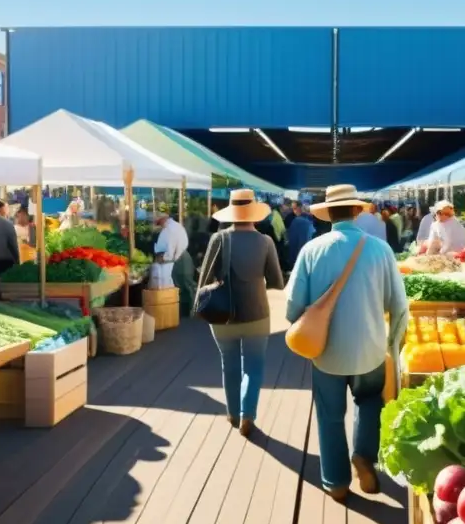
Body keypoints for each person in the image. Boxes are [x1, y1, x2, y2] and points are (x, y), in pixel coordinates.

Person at [286, 184, 408, 503]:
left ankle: (336, 481)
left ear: (327, 215)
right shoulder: (381, 249)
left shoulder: (312, 250)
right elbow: (400, 306)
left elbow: (291, 309)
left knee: (329, 413)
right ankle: (364, 456)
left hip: (326, 352)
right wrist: (393, 347)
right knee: (369, 402)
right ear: (356, 211)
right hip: (370, 349)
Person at [198, 190, 284, 438]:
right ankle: (248, 415)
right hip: (257, 314)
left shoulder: (219, 239)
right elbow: (276, 281)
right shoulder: (266, 242)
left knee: (230, 364)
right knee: (254, 367)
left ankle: (233, 413)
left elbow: (204, 279)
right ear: (254, 214)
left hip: (222, 315)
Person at [154, 208, 195, 316]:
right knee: (183, 286)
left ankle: (189, 314)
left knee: (185, 286)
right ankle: (186, 313)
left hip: (180, 260)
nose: (157, 224)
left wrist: (162, 258)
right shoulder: (172, 226)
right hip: (180, 258)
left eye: (158, 221)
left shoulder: (170, 229)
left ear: (163, 219)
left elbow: (170, 252)